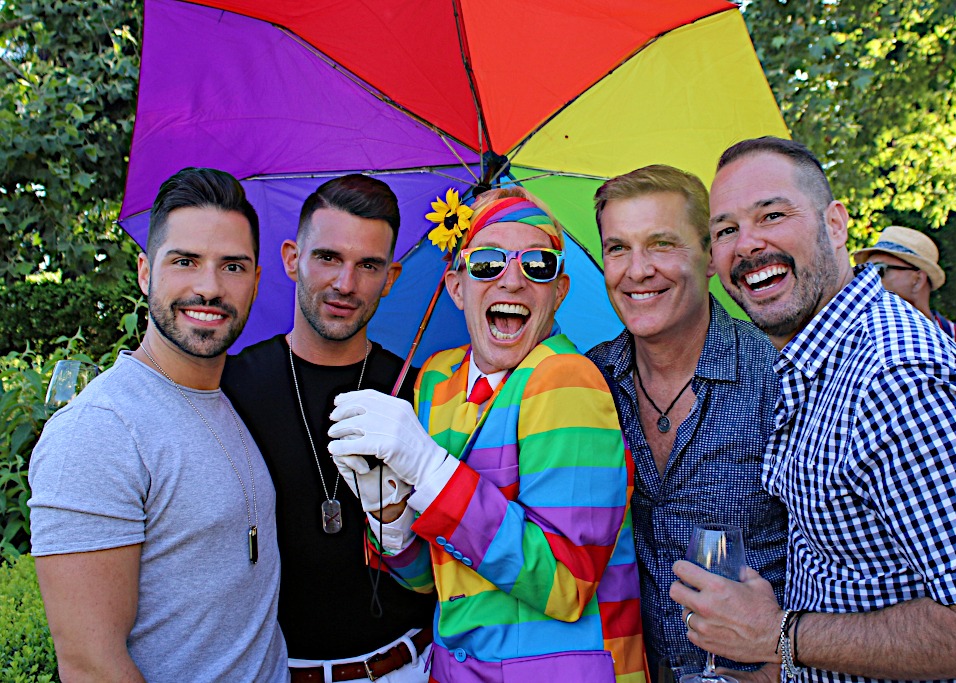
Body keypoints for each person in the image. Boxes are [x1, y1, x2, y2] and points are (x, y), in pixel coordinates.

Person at [671, 136, 956, 682]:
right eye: (725, 230)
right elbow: (859, 580)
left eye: (772, 214)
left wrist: (777, 634)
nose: (747, 244)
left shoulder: (893, 377)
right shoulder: (823, 362)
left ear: (835, 224)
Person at [328, 187, 648, 682]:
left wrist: (431, 470)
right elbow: (430, 583)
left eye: (538, 265)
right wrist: (388, 514)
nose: (513, 281)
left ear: (559, 290)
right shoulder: (436, 381)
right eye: (487, 263)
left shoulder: (566, 377)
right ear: (456, 287)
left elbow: (567, 582)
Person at [28, 167, 288, 682]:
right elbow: (91, 666)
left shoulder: (219, 396)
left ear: (256, 281)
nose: (209, 287)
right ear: (146, 273)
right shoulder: (99, 432)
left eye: (232, 266)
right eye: (185, 261)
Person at [221, 174, 436, 683]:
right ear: (292, 257)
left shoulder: (420, 391)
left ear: (392, 277)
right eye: (328, 258)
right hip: (278, 670)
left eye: (368, 266)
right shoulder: (231, 386)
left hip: (409, 663)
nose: (346, 284)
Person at [584, 164, 787, 676]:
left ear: (711, 256)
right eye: (618, 248)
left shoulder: (776, 375)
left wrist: (783, 663)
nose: (637, 270)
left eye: (661, 244)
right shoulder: (588, 382)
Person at [851, 225, 956, 384]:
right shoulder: (859, 342)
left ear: (918, 280)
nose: (868, 279)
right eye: (863, 271)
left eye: (879, 270)